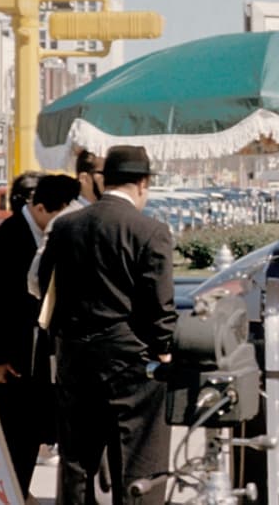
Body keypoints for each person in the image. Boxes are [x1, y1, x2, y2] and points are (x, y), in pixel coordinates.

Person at [38, 146, 177, 505]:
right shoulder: (150, 231)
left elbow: (41, 283)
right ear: (143, 183)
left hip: (74, 357)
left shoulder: (65, 226)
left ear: (103, 181)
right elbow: (160, 307)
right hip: (130, 361)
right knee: (138, 464)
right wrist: (164, 352)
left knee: (77, 464)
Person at [0, 173, 78, 495]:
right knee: (14, 433)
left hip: (33, 354)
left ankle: (19, 490)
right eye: (55, 214)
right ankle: (13, 492)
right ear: (38, 207)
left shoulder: (44, 235)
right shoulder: (9, 237)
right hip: (9, 356)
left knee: (29, 430)